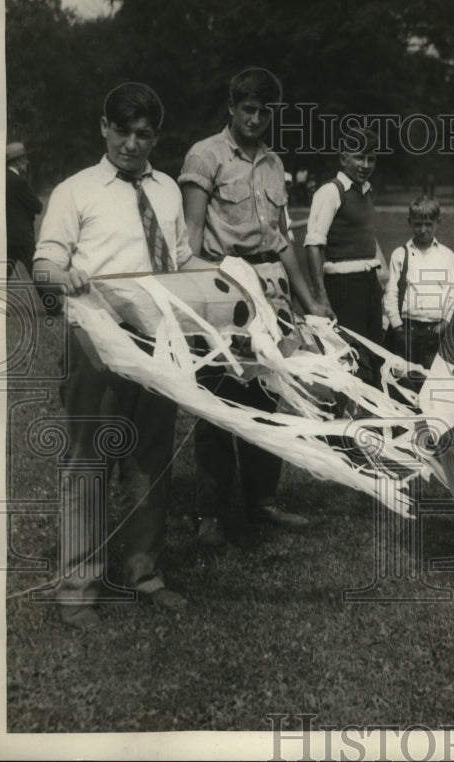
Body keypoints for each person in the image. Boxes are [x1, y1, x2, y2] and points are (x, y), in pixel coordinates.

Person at [33, 82, 204, 629]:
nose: (133, 144)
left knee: (152, 463)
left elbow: (182, 262)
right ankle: (79, 589)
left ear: (156, 136)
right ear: (103, 128)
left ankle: (144, 572)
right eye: (123, 131)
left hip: (159, 346)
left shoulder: (170, 190)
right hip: (96, 346)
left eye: (145, 134)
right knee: (88, 462)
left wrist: (236, 281)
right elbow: (43, 266)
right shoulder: (74, 191)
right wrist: (66, 274)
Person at [180, 66, 323, 547]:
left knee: (267, 398)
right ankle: (213, 513)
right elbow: (190, 242)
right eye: (248, 109)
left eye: (265, 111)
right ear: (231, 106)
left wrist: (311, 303)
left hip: (272, 292)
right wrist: (213, 294)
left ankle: (261, 501)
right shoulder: (206, 156)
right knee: (218, 401)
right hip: (223, 289)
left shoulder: (275, 164)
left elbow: (282, 242)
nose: (256, 119)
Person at [304, 128, 385, 385]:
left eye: (371, 158)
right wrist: (320, 297)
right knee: (349, 357)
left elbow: (368, 239)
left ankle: (375, 419)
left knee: (375, 355)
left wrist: (382, 281)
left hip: (368, 284)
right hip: (344, 286)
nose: (365, 165)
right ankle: (346, 418)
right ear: (343, 158)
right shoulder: (330, 192)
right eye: (359, 157)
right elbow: (313, 245)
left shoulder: (365, 191)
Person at [382, 195, 454, 388]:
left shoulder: (447, 255)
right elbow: (391, 293)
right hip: (407, 329)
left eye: (428, 224)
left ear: (437, 223)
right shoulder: (400, 254)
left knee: (432, 380)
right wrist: (397, 326)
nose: (423, 230)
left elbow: (453, 293)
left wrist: (445, 322)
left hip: (435, 331)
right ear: (410, 223)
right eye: (417, 225)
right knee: (404, 380)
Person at [6, 141, 43, 280]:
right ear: (18, 161)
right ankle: (53, 303)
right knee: (38, 275)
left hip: (5, 237)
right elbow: (37, 207)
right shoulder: (18, 182)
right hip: (22, 238)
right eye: (24, 158)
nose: (27, 162)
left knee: (0, 277)